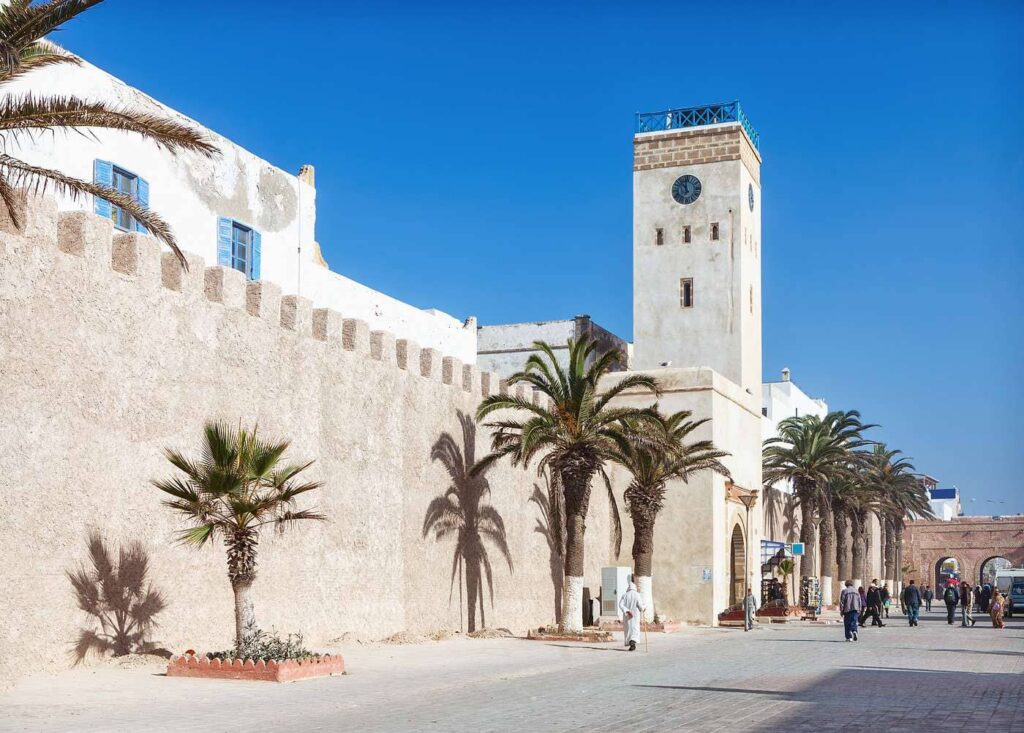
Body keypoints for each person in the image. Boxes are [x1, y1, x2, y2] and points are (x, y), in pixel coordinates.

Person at [618, 577, 646, 651]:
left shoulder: (625, 595)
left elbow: (620, 605)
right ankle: (633, 641)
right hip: (635, 616)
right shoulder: (637, 595)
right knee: (635, 629)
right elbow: (640, 606)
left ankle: (631, 642)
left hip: (627, 616)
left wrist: (626, 610)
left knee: (628, 629)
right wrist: (644, 608)